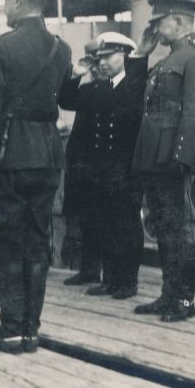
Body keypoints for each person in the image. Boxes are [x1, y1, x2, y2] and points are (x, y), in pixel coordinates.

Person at [0, 0, 72, 354]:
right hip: (48, 156)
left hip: (12, 157)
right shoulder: (61, 49)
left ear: (19, 0)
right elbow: (62, 97)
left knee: (10, 245)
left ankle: (11, 330)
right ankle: (31, 331)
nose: (5, 5)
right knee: (38, 243)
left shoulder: (1, 47)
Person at [131, 0, 195, 322]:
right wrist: (140, 53)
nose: (154, 27)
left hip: (177, 158)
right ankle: (168, 293)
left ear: (178, 23)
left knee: (182, 228)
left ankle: (184, 299)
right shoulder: (166, 60)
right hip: (155, 157)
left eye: (159, 22)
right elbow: (138, 95)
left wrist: (181, 158)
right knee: (164, 227)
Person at [59, 32, 147, 299]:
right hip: (101, 169)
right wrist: (76, 72)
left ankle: (128, 281)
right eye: (101, 58)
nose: (103, 62)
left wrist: (139, 59)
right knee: (107, 223)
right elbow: (65, 100)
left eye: (109, 56)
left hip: (126, 168)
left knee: (127, 224)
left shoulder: (134, 85)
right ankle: (110, 279)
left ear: (125, 56)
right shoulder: (99, 88)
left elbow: (135, 88)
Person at [60, 40, 106, 286]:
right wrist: (77, 73)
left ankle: (108, 273)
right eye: (94, 62)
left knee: (104, 218)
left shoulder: (119, 88)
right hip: (82, 162)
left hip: (103, 162)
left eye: (101, 61)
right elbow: (65, 100)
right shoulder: (88, 90)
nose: (97, 67)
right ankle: (89, 269)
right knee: (85, 217)